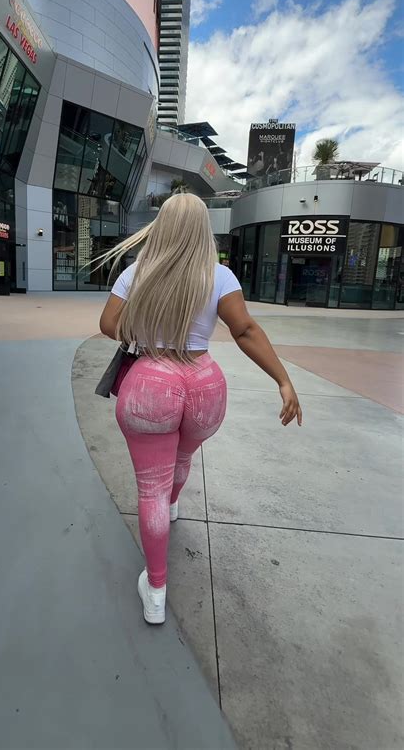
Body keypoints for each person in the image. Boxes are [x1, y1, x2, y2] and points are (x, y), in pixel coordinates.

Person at [98, 193, 302, 625]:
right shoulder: (220, 275)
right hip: (205, 386)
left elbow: (109, 325)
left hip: (151, 383)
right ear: (203, 230)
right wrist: (283, 380)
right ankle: (173, 504)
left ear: (162, 227)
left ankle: (156, 591)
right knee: (183, 456)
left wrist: (147, 332)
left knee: (149, 488)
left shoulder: (137, 272)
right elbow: (245, 330)